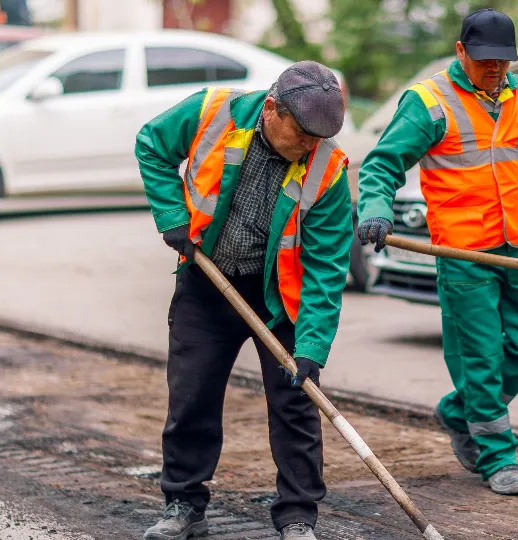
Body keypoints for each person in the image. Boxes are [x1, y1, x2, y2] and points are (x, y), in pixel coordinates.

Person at [356, 8, 518, 496]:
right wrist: (376, 210)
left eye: (503, 61)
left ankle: (458, 410)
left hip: (515, 246)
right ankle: (497, 457)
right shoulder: (429, 102)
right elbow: (382, 165)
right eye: (485, 60)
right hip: (463, 252)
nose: (495, 70)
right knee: (481, 358)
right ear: (461, 51)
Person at [135, 61, 353, 540]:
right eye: (303, 134)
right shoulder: (214, 112)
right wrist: (172, 214)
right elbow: (151, 143)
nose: (311, 146)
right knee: (191, 393)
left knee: (297, 400)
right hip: (207, 282)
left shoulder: (328, 171)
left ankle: (298, 516)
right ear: (273, 109)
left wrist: (312, 347)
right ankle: (184, 504)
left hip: (279, 300)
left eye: (321, 137)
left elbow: (326, 269)